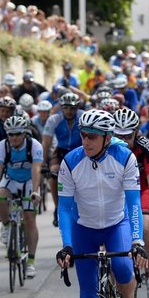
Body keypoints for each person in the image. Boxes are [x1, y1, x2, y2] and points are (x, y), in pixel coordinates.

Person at [54, 109, 145, 298]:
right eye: (83, 135)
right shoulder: (71, 161)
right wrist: (67, 245)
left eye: (92, 136)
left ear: (107, 137)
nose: (86, 141)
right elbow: (65, 208)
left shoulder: (125, 158)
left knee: (122, 268)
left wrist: (137, 240)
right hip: (84, 228)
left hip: (115, 223)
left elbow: (133, 204)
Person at [113, 108, 149, 298]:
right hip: (117, 191)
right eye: (118, 135)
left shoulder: (146, 146)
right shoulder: (107, 146)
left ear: (136, 132)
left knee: (146, 226)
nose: (123, 141)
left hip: (141, 190)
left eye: (128, 136)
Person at [0, 116, 43, 277]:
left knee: (30, 218)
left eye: (17, 134)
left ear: (25, 133)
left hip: (28, 181)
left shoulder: (34, 145)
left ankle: (31, 261)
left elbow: (36, 170)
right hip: (10, 179)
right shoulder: (2, 146)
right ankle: (6, 225)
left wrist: (35, 191)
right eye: (10, 134)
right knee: (0, 196)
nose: (13, 138)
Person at [42, 92, 83, 226]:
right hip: (61, 152)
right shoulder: (54, 119)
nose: (69, 111)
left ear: (77, 108)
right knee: (53, 174)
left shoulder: (83, 117)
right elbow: (46, 142)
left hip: (80, 152)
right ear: (61, 108)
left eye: (72, 108)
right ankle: (57, 207)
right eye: (65, 108)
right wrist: (43, 161)